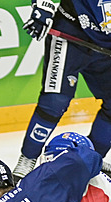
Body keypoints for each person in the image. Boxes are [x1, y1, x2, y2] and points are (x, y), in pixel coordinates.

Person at [13, 0, 111, 182]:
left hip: (107, 45)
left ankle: (92, 159)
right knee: (54, 101)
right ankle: (28, 158)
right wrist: (43, 6)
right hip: (70, 29)